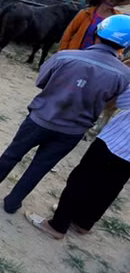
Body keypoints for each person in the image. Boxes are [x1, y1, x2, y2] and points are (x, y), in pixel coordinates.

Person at [0, 15, 130, 214]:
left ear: (96, 34)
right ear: (124, 47)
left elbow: (41, 81)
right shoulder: (124, 74)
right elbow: (121, 103)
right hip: (73, 130)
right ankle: (13, 202)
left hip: (41, 118)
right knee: (40, 166)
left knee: (14, 153)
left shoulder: (65, 57)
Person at [29, 78, 130, 240]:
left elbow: (123, 100)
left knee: (82, 180)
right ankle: (83, 223)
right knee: (110, 187)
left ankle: (58, 225)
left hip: (116, 140)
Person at [59, 0, 130, 50]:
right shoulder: (85, 14)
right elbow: (69, 33)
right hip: (77, 50)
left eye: (117, 1)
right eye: (111, 0)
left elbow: (121, 39)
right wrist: (62, 50)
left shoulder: (118, 18)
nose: (114, 3)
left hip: (101, 55)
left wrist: (119, 53)